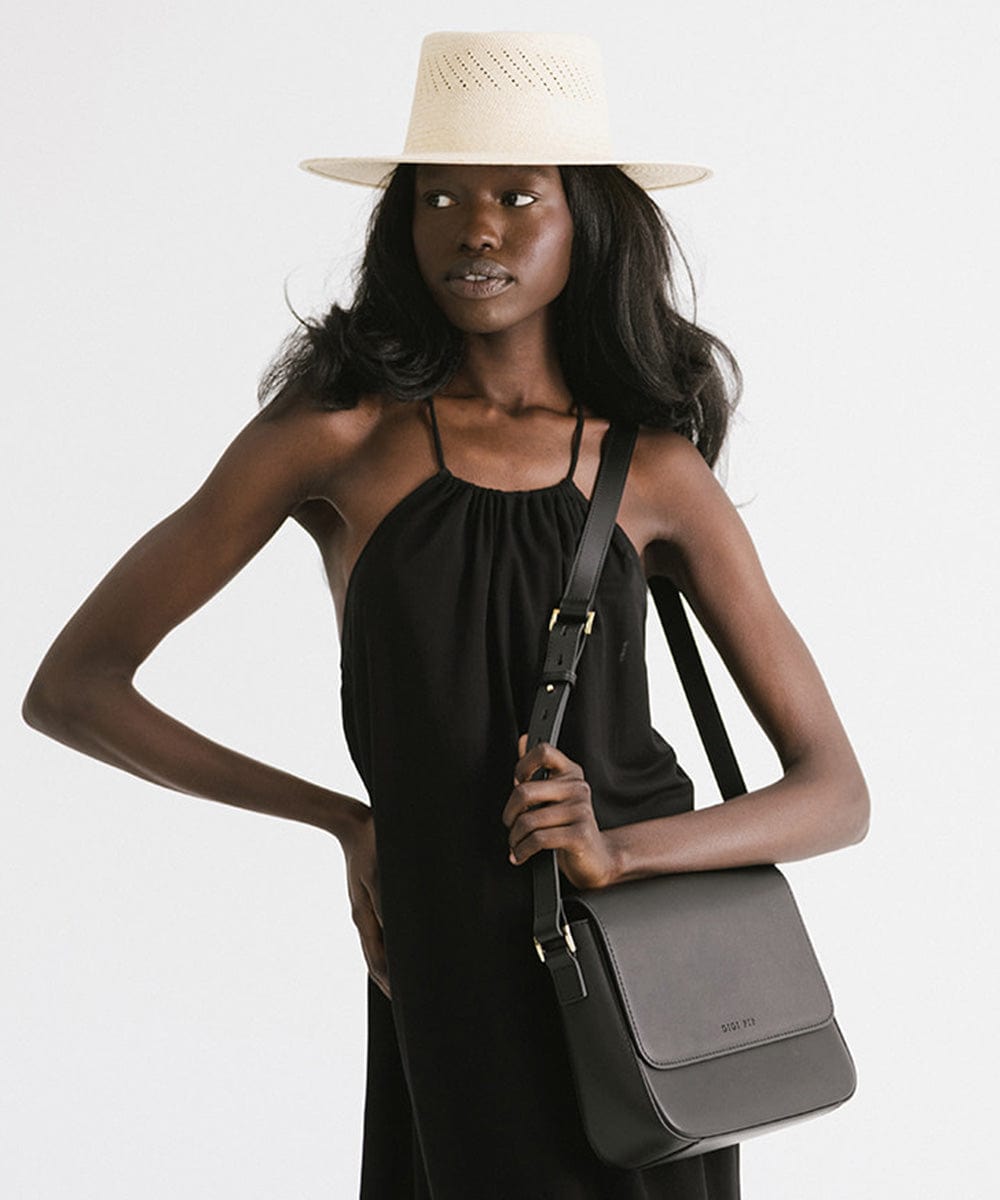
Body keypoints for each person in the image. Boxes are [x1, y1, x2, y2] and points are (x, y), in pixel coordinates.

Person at [22, 30, 869, 1200]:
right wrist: (345, 823)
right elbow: (74, 688)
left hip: (643, 981)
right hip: (448, 957)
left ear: (588, 222)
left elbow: (835, 792)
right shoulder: (337, 437)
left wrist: (620, 852)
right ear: (403, 223)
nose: (475, 228)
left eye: (519, 195)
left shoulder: (658, 472)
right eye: (439, 197)